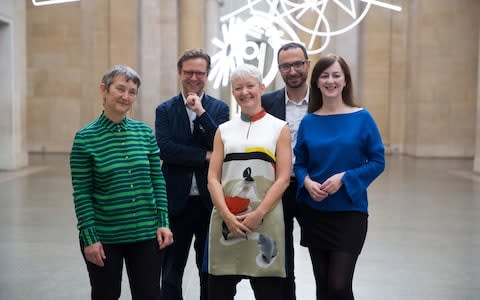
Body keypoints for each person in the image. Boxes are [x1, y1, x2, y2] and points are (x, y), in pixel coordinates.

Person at [70, 64, 173, 300]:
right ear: (104, 90)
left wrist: (163, 222)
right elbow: (82, 193)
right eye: (120, 89)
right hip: (105, 238)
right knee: (105, 295)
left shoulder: (144, 133)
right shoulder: (85, 139)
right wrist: (89, 238)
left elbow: (157, 180)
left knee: (148, 295)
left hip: (146, 235)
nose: (126, 96)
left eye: (132, 91)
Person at [294, 54, 385, 300]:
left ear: (345, 81)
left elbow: (378, 161)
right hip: (314, 213)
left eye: (336, 75)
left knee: (339, 285)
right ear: (316, 82)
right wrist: (306, 182)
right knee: (323, 286)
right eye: (324, 75)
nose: (330, 80)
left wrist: (344, 178)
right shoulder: (309, 122)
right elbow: (299, 163)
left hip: (349, 212)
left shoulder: (362, 118)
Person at [205, 64, 292, 300]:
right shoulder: (223, 130)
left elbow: (283, 178)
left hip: (266, 218)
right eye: (238, 88)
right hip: (226, 220)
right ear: (233, 92)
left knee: (269, 293)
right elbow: (213, 177)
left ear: (262, 88)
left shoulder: (279, 127)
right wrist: (226, 215)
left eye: (250, 86)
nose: (245, 92)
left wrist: (258, 213)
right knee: (219, 292)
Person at [155, 48, 230, 300]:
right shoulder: (164, 110)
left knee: (207, 270)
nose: (194, 78)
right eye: (189, 72)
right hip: (176, 203)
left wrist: (200, 112)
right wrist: (205, 156)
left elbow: (220, 143)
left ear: (207, 75)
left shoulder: (219, 109)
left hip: (210, 204)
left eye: (200, 73)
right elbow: (166, 149)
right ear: (179, 73)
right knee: (170, 272)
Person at [261, 42, 310, 300]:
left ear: (307, 65)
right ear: (279, 69)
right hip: (277, 188)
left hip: (313, 187)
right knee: (282, 259)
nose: (292, 71)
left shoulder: (324, 100)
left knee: (322, 257)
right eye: (286, 65)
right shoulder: (267, 102)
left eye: (298, 64)